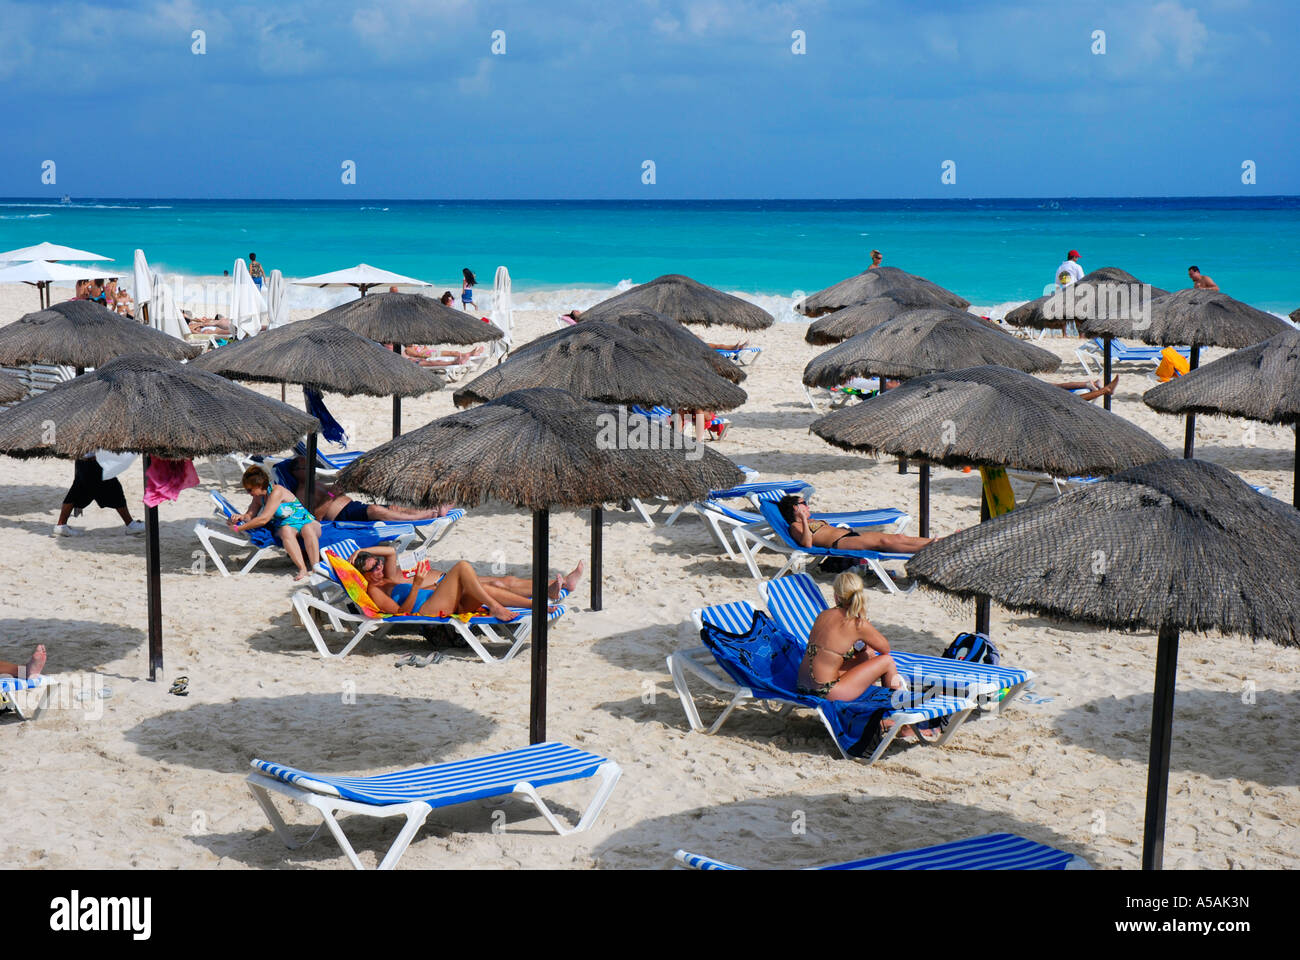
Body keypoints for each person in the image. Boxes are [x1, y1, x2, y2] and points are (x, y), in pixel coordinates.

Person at [349, 545, 582, 620]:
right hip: (427, 611)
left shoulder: (387, 576)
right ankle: (498, 607)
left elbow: (390, 551)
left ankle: (538, 603)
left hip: (438, 597)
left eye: (378, 563)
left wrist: (363, 550)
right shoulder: (373, 590)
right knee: (462, 566)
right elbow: (402, 613)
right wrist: (418, 584)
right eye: (373, 568)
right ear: (365, 575)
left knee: (492, 587)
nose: (380, 567)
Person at [287, 458, 457, 523]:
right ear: (296, 472)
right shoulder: (301, 493)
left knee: (393, 507)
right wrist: (332, 495)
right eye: (306, 466)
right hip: (342, 515)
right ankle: (424, 516)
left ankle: (432, 509)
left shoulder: (317, 483)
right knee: (376, 510)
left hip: (352, 506)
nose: (311, 468)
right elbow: (315, 517)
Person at [229, 465, 321, 580]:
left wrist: (239, 529)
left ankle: (316, 568)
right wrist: (241, 517)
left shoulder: (277, 491)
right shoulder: (258, 497)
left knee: (307, 528)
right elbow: (250, 515)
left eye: (250, 489)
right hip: (287, 526)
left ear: (258, 486)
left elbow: (264, 519)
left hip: (306, 520)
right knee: (285, 531)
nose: (248, 493)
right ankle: (302, 569)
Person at [778, 494, 936, 554]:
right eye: (803, 503)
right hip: (840, 543)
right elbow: (807, 543)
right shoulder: (795, 526)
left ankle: (936, 542)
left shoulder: (813, 520)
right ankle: (928, 548)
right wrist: (803, 519)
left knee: (898, 537)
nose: (807, 505)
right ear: (795, 508)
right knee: (885, 542)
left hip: (849, 536)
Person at [55, 454, 145, 536]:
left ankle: (61, 525)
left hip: (83, 462)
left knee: (76, 491)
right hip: (92, 462)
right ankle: (130, 525)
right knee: (115, 490)